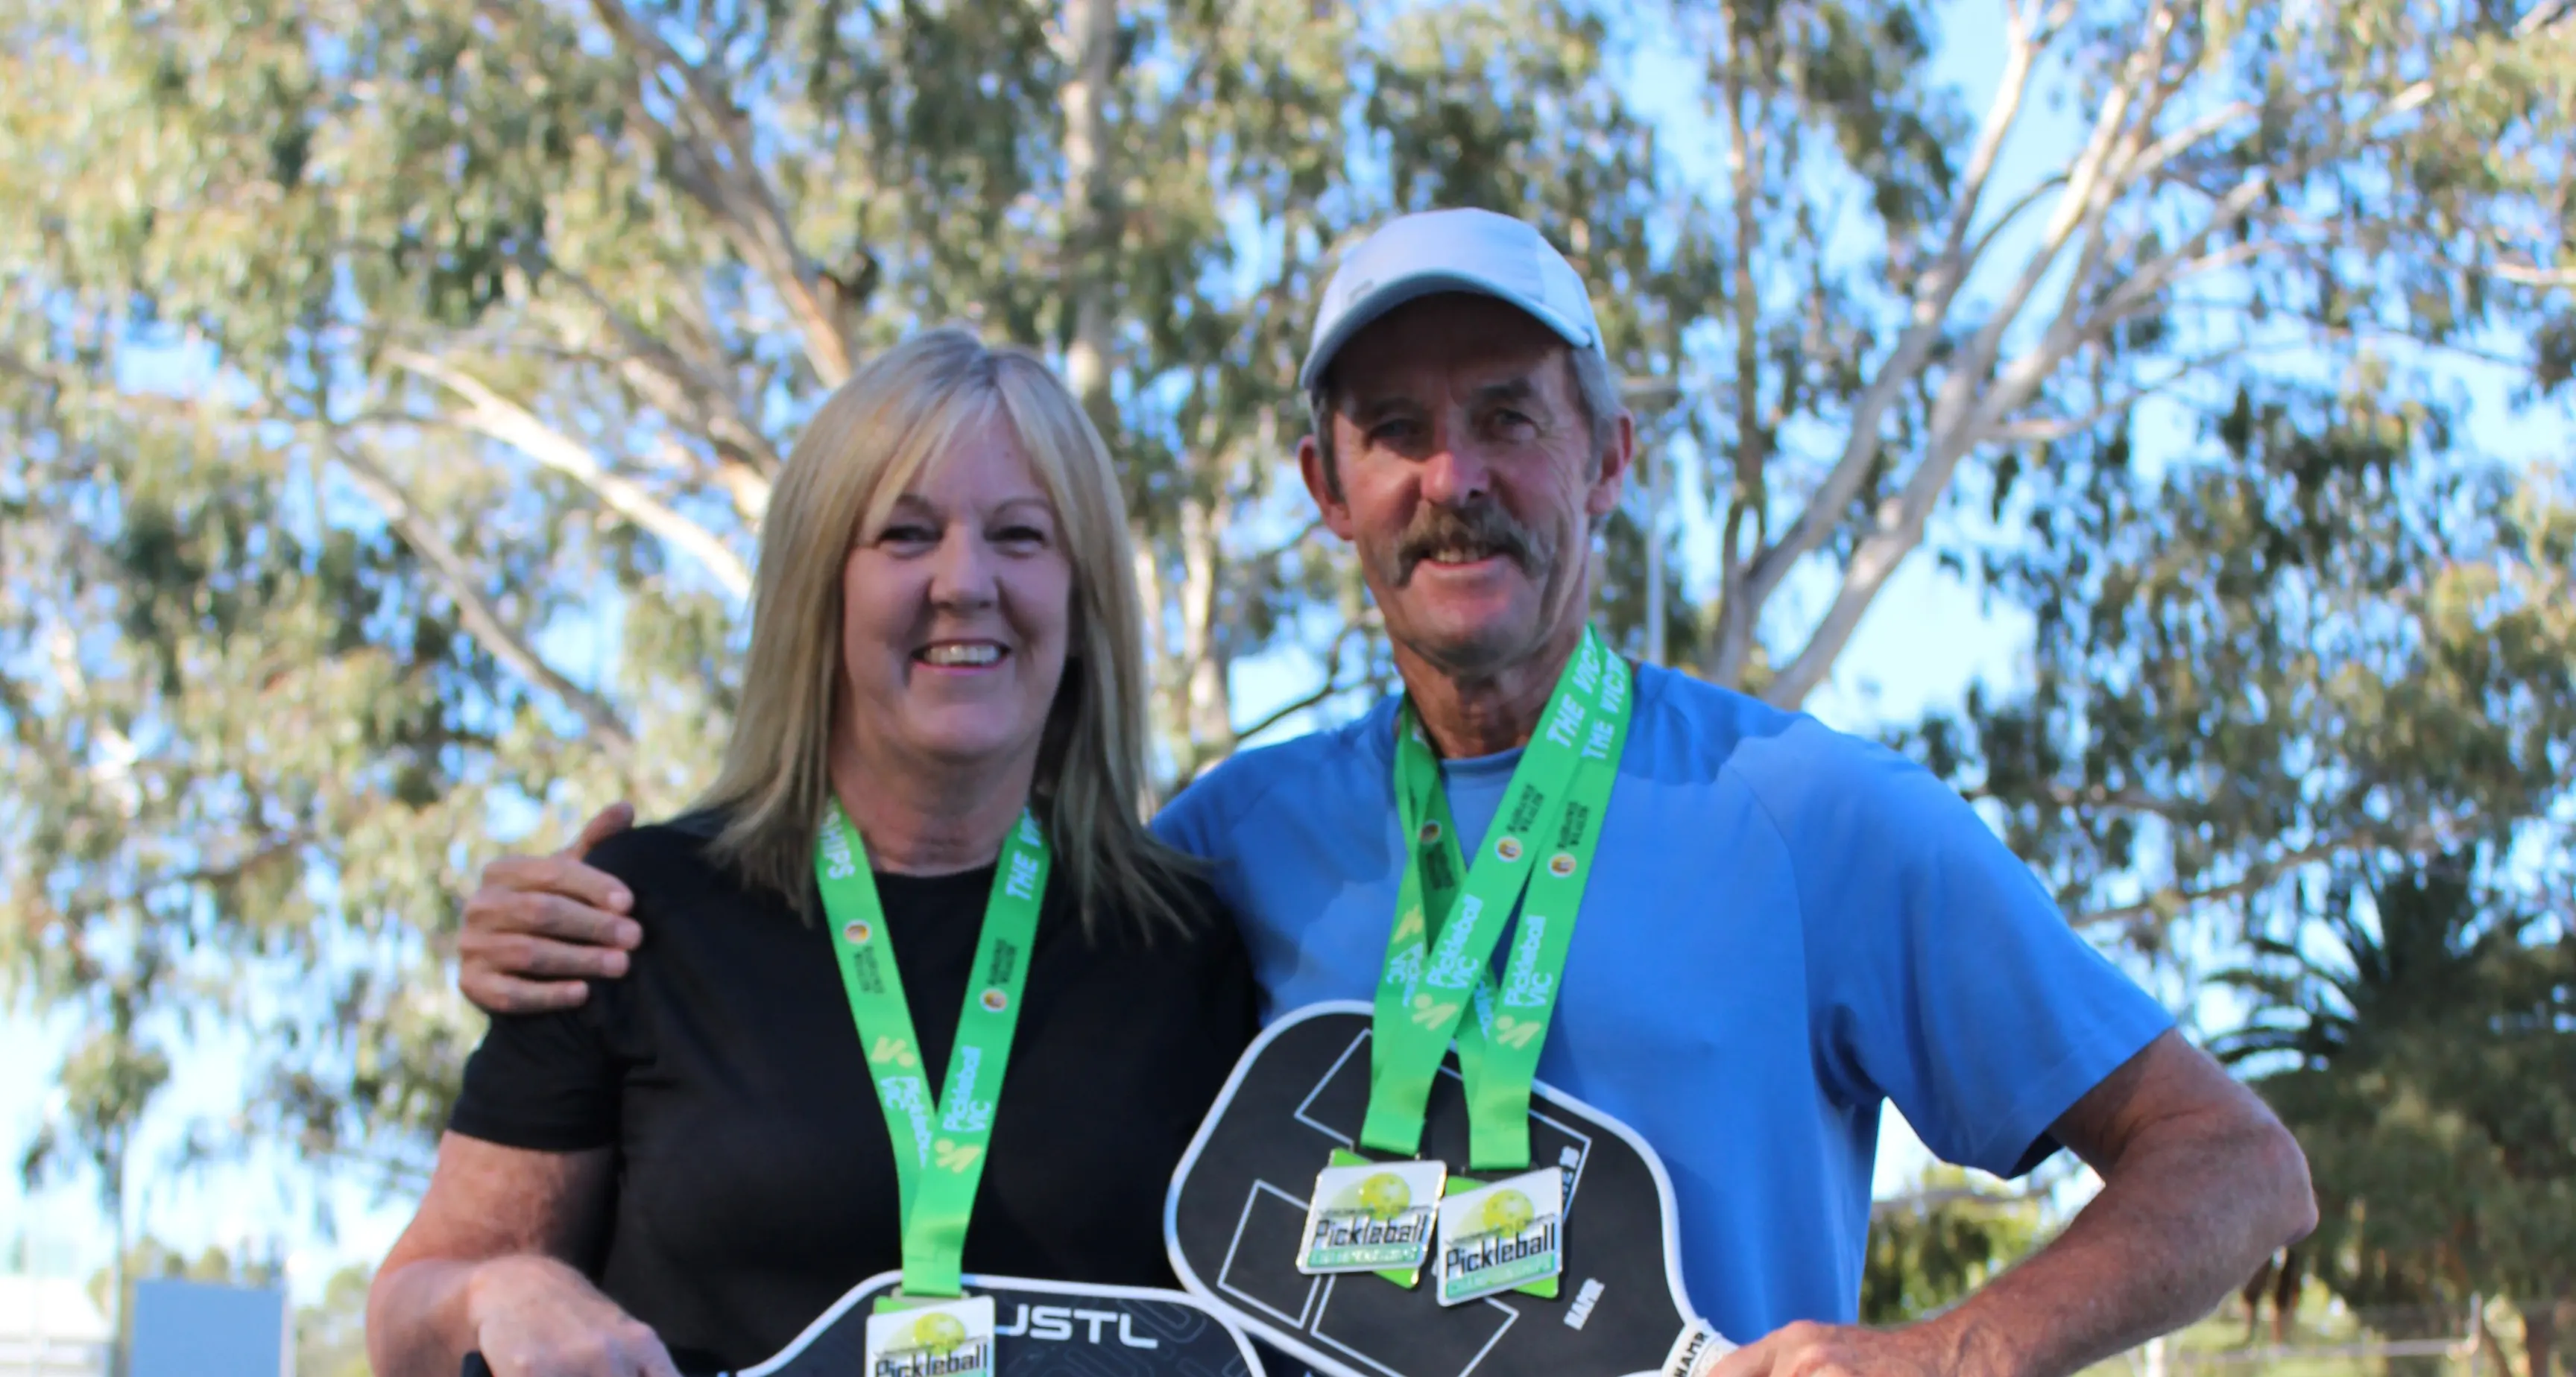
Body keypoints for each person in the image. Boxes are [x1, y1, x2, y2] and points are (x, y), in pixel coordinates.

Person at [452, 209, 2317, 1377]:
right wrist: (588, 915)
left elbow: (2237, 1164)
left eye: (1510, 412)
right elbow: (927, 963)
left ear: (1610, 456)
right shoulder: (1218, 857)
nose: (1457, 474)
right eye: (1397, 432)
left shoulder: (1811, 815)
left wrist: (1958, 1354)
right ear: (1322, 488)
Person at [367, 329, 1260, 1377]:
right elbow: (410, 1317)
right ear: (819, 591)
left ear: (1083, 601)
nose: (965, 580)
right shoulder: (629, 919)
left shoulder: (1181, 941)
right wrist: (505, 1286)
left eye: (1021, 536)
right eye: (905, 534)